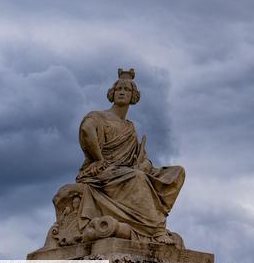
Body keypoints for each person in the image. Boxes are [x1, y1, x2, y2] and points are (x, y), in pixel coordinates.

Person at [74, 68, 185, 245]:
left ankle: (150, 221)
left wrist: (145, 165)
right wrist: (98, 159)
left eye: (127, 90)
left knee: (176, 172)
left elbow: (141, 157)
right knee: (138, 178)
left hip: (125, 171)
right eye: (119, 89)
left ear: (133, 96)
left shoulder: (130, 128)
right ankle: (156, 230)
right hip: (103, 172)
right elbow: (87, 130)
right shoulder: (98, 116)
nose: (122, 93)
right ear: (112, 93)